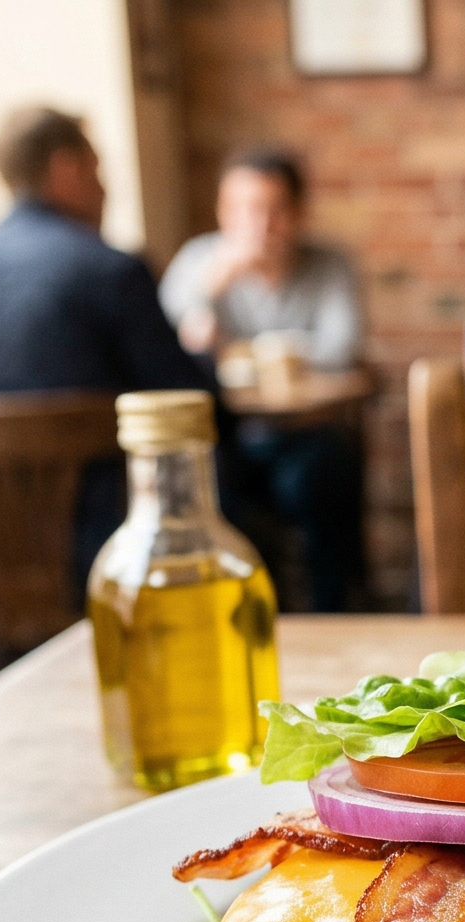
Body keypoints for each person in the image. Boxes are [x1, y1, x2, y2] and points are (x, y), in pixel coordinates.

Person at [0, 107, 234, 603]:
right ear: (66, 169)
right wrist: (206, 362)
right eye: (98, 170)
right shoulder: (110, 272)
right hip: (109, 559)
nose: (105, 190)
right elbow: (194, 406)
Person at [159, 149, 367, 611]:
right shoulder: (198, 262)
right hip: (227, 435)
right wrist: (212, 290)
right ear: (223, 212)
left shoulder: (330, 265)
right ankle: (256, 615)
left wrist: (247, 352)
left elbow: (341, 349)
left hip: (306, 431)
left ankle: (332, 616)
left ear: (299, 213)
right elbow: (171, 343)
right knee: (212, 490)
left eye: (275, 211)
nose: (260, 226)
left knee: (322, 478)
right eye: (246, 210)